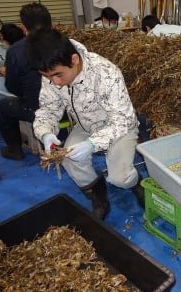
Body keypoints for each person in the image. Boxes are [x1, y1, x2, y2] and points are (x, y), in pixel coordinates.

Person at [26, 28, 145, 220]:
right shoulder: (52, 72)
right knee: (70, 159)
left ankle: (135, 183)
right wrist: (45, 132)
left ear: (74, 60)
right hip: (85, 125)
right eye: (48, 77)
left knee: (119, 177)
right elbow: (48, 109)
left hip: (119, 126)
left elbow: (122, 120)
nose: (55, 83)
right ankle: (98, 198)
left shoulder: (106, 73)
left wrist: (92, 144)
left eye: (58, 75)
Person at [0, 2, 52, 161]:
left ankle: (14, 149)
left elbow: (11, 85)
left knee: (3, 106)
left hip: (38, 108)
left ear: (24, 28)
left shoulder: (17, 50)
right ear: (51, 24)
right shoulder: (66, 43)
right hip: (69, 104)